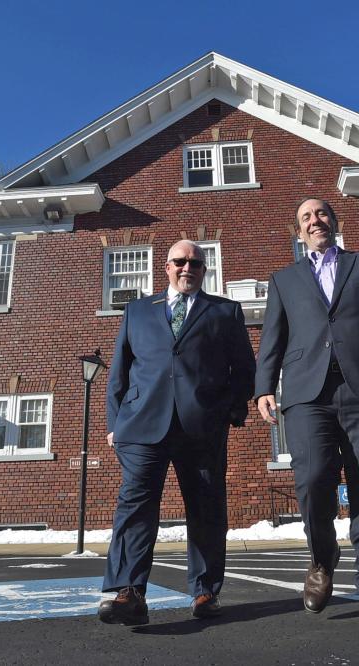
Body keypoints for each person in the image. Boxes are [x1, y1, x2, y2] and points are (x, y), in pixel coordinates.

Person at [255, 198, 359, 641]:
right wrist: (262, 387)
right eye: (306, 217)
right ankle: (321, 559)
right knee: (311, 481)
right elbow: (272, 337)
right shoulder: (284, 280)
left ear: (336, 221)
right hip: (307, 394)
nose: (316, 221)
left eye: (322, 213)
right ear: (298, 231)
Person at [99, 240, 256, 626]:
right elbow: (119, 370)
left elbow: (245, 370)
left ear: (205, 270)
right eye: (180, 262)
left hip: (201, 426)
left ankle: (205, 591)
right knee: (134, 504)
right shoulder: (137, 311)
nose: (188, 268)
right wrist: (115, 423)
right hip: (140, 423)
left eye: (196, 264)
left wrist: (229, 413)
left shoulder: (225, 311)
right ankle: (129, 591)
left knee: (205, 507)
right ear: (166, 267)